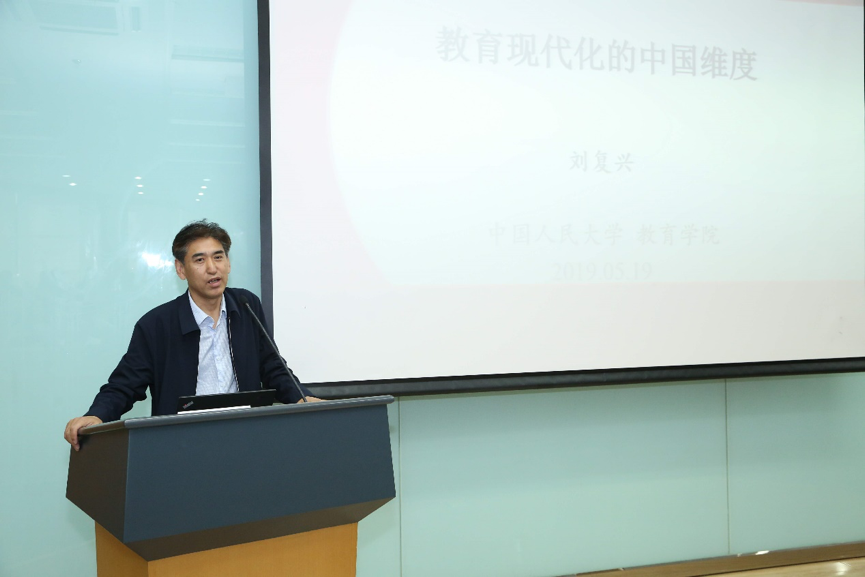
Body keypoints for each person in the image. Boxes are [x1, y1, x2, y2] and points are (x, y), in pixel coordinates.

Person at [64, 220, 319, 450]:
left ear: (228, 263)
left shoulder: (246, 306)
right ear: (181, 269)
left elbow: (271, 365)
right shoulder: (157, 324)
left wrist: (300, 397)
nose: (212, 268)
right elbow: (125, 384)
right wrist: (97, 415)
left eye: (218, 257)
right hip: (182, 443)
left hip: (245, 436)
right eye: (199, 260)